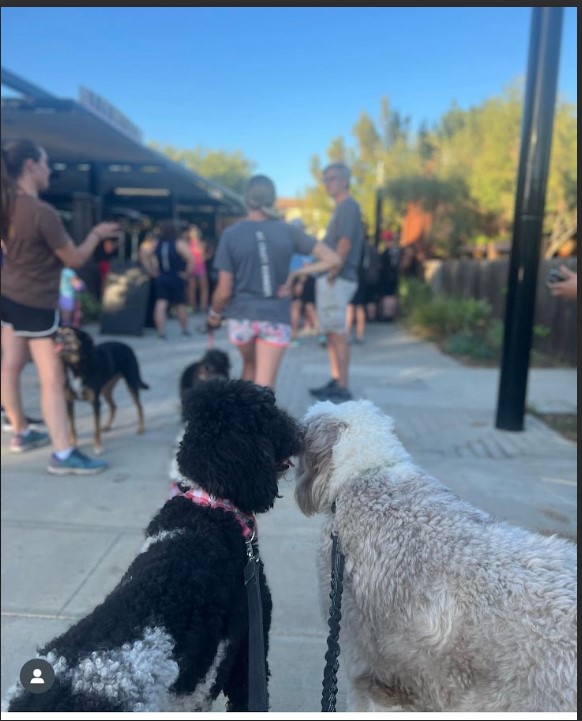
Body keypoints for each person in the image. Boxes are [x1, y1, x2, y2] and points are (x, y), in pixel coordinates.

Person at [1, 139, 119, 473]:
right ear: (30, 165)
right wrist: (96, 234)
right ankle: (64, 454)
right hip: (36, 303)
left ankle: (20, 433)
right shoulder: (41, 213)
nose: (50, 169)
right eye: (46, 162)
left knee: (10, 365)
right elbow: (75, 258)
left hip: (8, 295)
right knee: (52, 377)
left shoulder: (6, 205)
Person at [205, 174, 340, 390]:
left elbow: (224, 291)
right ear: (273, 199)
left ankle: (241, 422)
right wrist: (296, 274)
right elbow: (333, 259)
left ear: (246, 200)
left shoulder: (231, 234)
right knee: (265, 385)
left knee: (248, 370)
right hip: (275, 316)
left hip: (242, 318)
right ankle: (261, 423)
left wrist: (214, 316)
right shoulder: (288, 230)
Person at [309, 162, 364, 403]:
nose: (327, 183)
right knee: (331, 332)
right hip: (334, 277)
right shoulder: (342, 208)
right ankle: (336, 379)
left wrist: (332, 272)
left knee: (338, 334)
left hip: (337, 277)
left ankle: (342, 385)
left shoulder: (348, 207)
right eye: (325, 179)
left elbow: (345, 243)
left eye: (332, 178)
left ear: (344, 180)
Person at [148, 220, 193, 339]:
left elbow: (146, 254)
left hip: (162, 276)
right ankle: (184, 329)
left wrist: (152, 270)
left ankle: (161, 332)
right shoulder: (179, 243)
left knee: (161, 303)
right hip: (176, 276)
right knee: (180, 304)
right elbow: (190, 259)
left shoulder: (156, 243)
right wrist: (186, 274)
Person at [186, 225, 209, 314]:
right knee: (203, 288)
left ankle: (192, 306)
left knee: (192, 288)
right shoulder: (201, 244)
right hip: (199, 267)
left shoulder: (187, 244)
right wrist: (207, 256)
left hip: (192, 267)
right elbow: (203, 255)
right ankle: (202, 306)